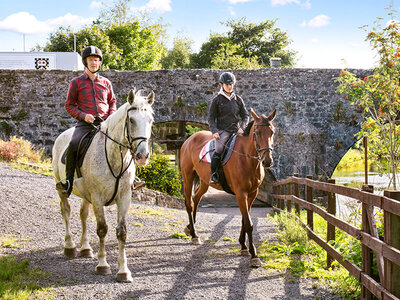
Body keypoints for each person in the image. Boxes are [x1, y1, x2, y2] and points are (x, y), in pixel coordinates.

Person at [56, 45, 117, 196]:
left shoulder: (106, 83)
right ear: (85, 62)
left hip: (105, 123)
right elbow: (69, 106)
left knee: (123, 141)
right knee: (74, 143)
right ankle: (68, 181)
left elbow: (112, 102)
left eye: (96, 60)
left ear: (99, 62)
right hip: (85, 125)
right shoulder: (76, 83)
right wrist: (84, 116)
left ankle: (130, 179)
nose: (94, 63)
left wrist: (111, 117)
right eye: (90, 60)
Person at [208, 71, 249, 184]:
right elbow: (211, 118)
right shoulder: (217, 100)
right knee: (219, 149)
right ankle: (213, 175)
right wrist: (214, 131)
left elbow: (245, 116)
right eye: (227, 84)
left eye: (231, 84)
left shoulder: (238, 99)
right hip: (223, 131)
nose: (229, 86)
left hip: (237, 131)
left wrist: (243, 127)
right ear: (222, 85)